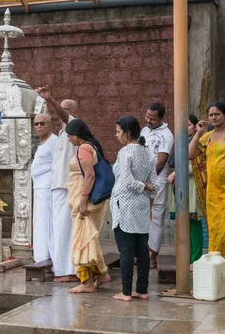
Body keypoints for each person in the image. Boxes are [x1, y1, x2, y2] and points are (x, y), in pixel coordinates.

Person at [189, 102, 225, 260]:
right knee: (215, 230)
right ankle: (218, 264)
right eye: (211, 115)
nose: (214, 117)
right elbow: (190, 154)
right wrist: (198, 132)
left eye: (217, 114)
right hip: (213, 192)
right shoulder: (207, 137)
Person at [35, 85, 79, 283]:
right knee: (57, 229)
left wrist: (51, 100)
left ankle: (68, 271)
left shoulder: (74, 125)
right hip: (58, 187)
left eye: (64, 110)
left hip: (66, 187)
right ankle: (60, 268)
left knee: (63, 229)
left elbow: (63, 116)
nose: (58, 112)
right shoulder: (64, 133)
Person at [111, 116, 157, 302]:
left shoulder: (125, 152)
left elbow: (127, 182)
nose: (116, 135)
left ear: (128, 133)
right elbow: (155, 184)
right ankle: (142, 289)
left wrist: (142, 186)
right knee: (142, 250)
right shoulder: (149, 153)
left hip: (126, 206)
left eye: (118, 132)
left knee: (126, 251)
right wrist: (148, 193)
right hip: (142, 205)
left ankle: (126, 292)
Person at [64, 119, 111, 294]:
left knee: (82, 241)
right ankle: (100, 275)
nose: (69, 139)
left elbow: (89, 176)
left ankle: (88, 282)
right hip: (87, 200)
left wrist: (83, 202)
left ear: (76, 135)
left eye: (70, 136)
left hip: (85, 202)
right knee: (88, 239)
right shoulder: (92, 145)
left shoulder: (84, 148)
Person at [167, 114, 206, 268]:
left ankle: (195, 258)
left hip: (192, 185)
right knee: (182, 223)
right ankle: (186, 256)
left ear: (196, 126)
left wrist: (176, 173)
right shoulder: (181, 142)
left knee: (193, 223)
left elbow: (197, 164)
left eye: (189, 124)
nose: (185, 128)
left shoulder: (200, 142)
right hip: (179, 186)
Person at [140, 102, 174, 269]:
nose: (148, 120)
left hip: (157, 181)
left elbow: (160, 162)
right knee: (141, 217)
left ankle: (153, 256)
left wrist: (148, 180)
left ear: (161, 118)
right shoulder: (145, 131)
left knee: (156, 218)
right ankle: (141, 254)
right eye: (147, 117)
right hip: (142, 181)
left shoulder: (166, 135)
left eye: (152, 119)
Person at [30, 113, 58, 263]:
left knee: (46, 222)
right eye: (36, 124)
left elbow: (58, 164)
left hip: (47, 188)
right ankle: (40, 257)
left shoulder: (54, 141)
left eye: (42, 123)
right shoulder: (41, 142)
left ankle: (47, 257)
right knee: (39, 223)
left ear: (50, 125)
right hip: (38, 187)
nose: (39, 126)